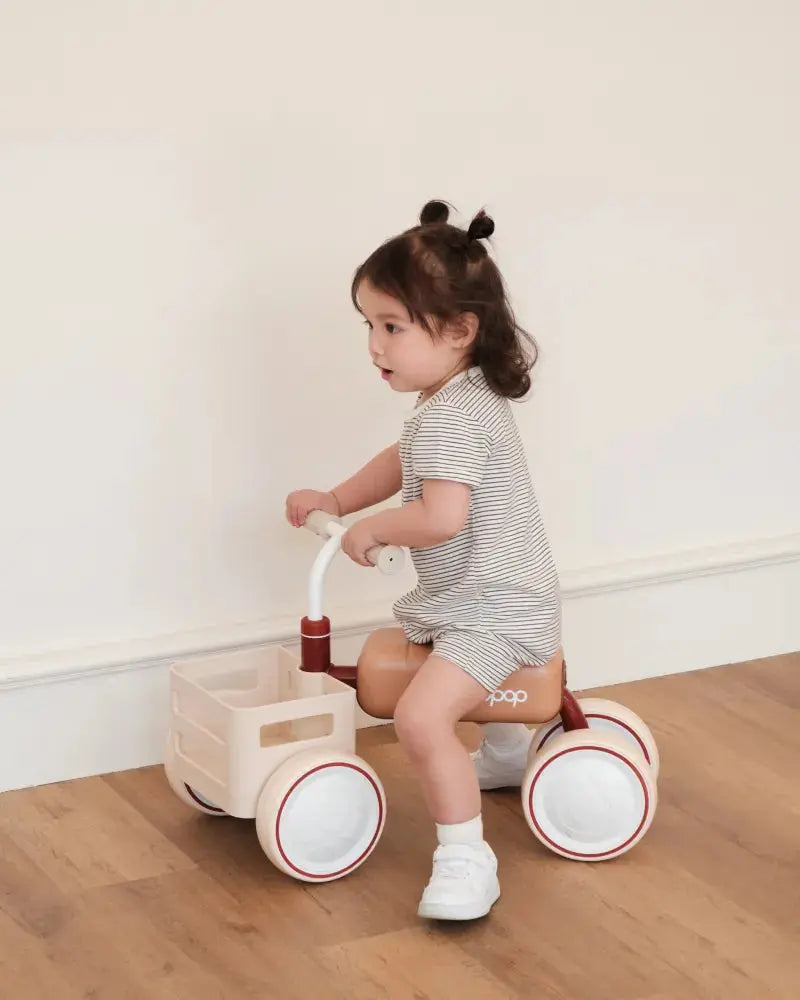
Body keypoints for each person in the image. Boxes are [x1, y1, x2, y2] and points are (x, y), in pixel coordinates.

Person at [285, 200, 561, 921]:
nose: (374, 346)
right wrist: (338, 498)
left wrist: (373, 530)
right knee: (437, 678)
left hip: (495, 612)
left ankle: (467, 856)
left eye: (392, 327)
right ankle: (504, 755)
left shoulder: (454, 414)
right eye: (370, 326)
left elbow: (441, 518)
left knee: (417, 719)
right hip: (483, 598)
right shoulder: (455, 400)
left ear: (460, 330)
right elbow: (402, 460)